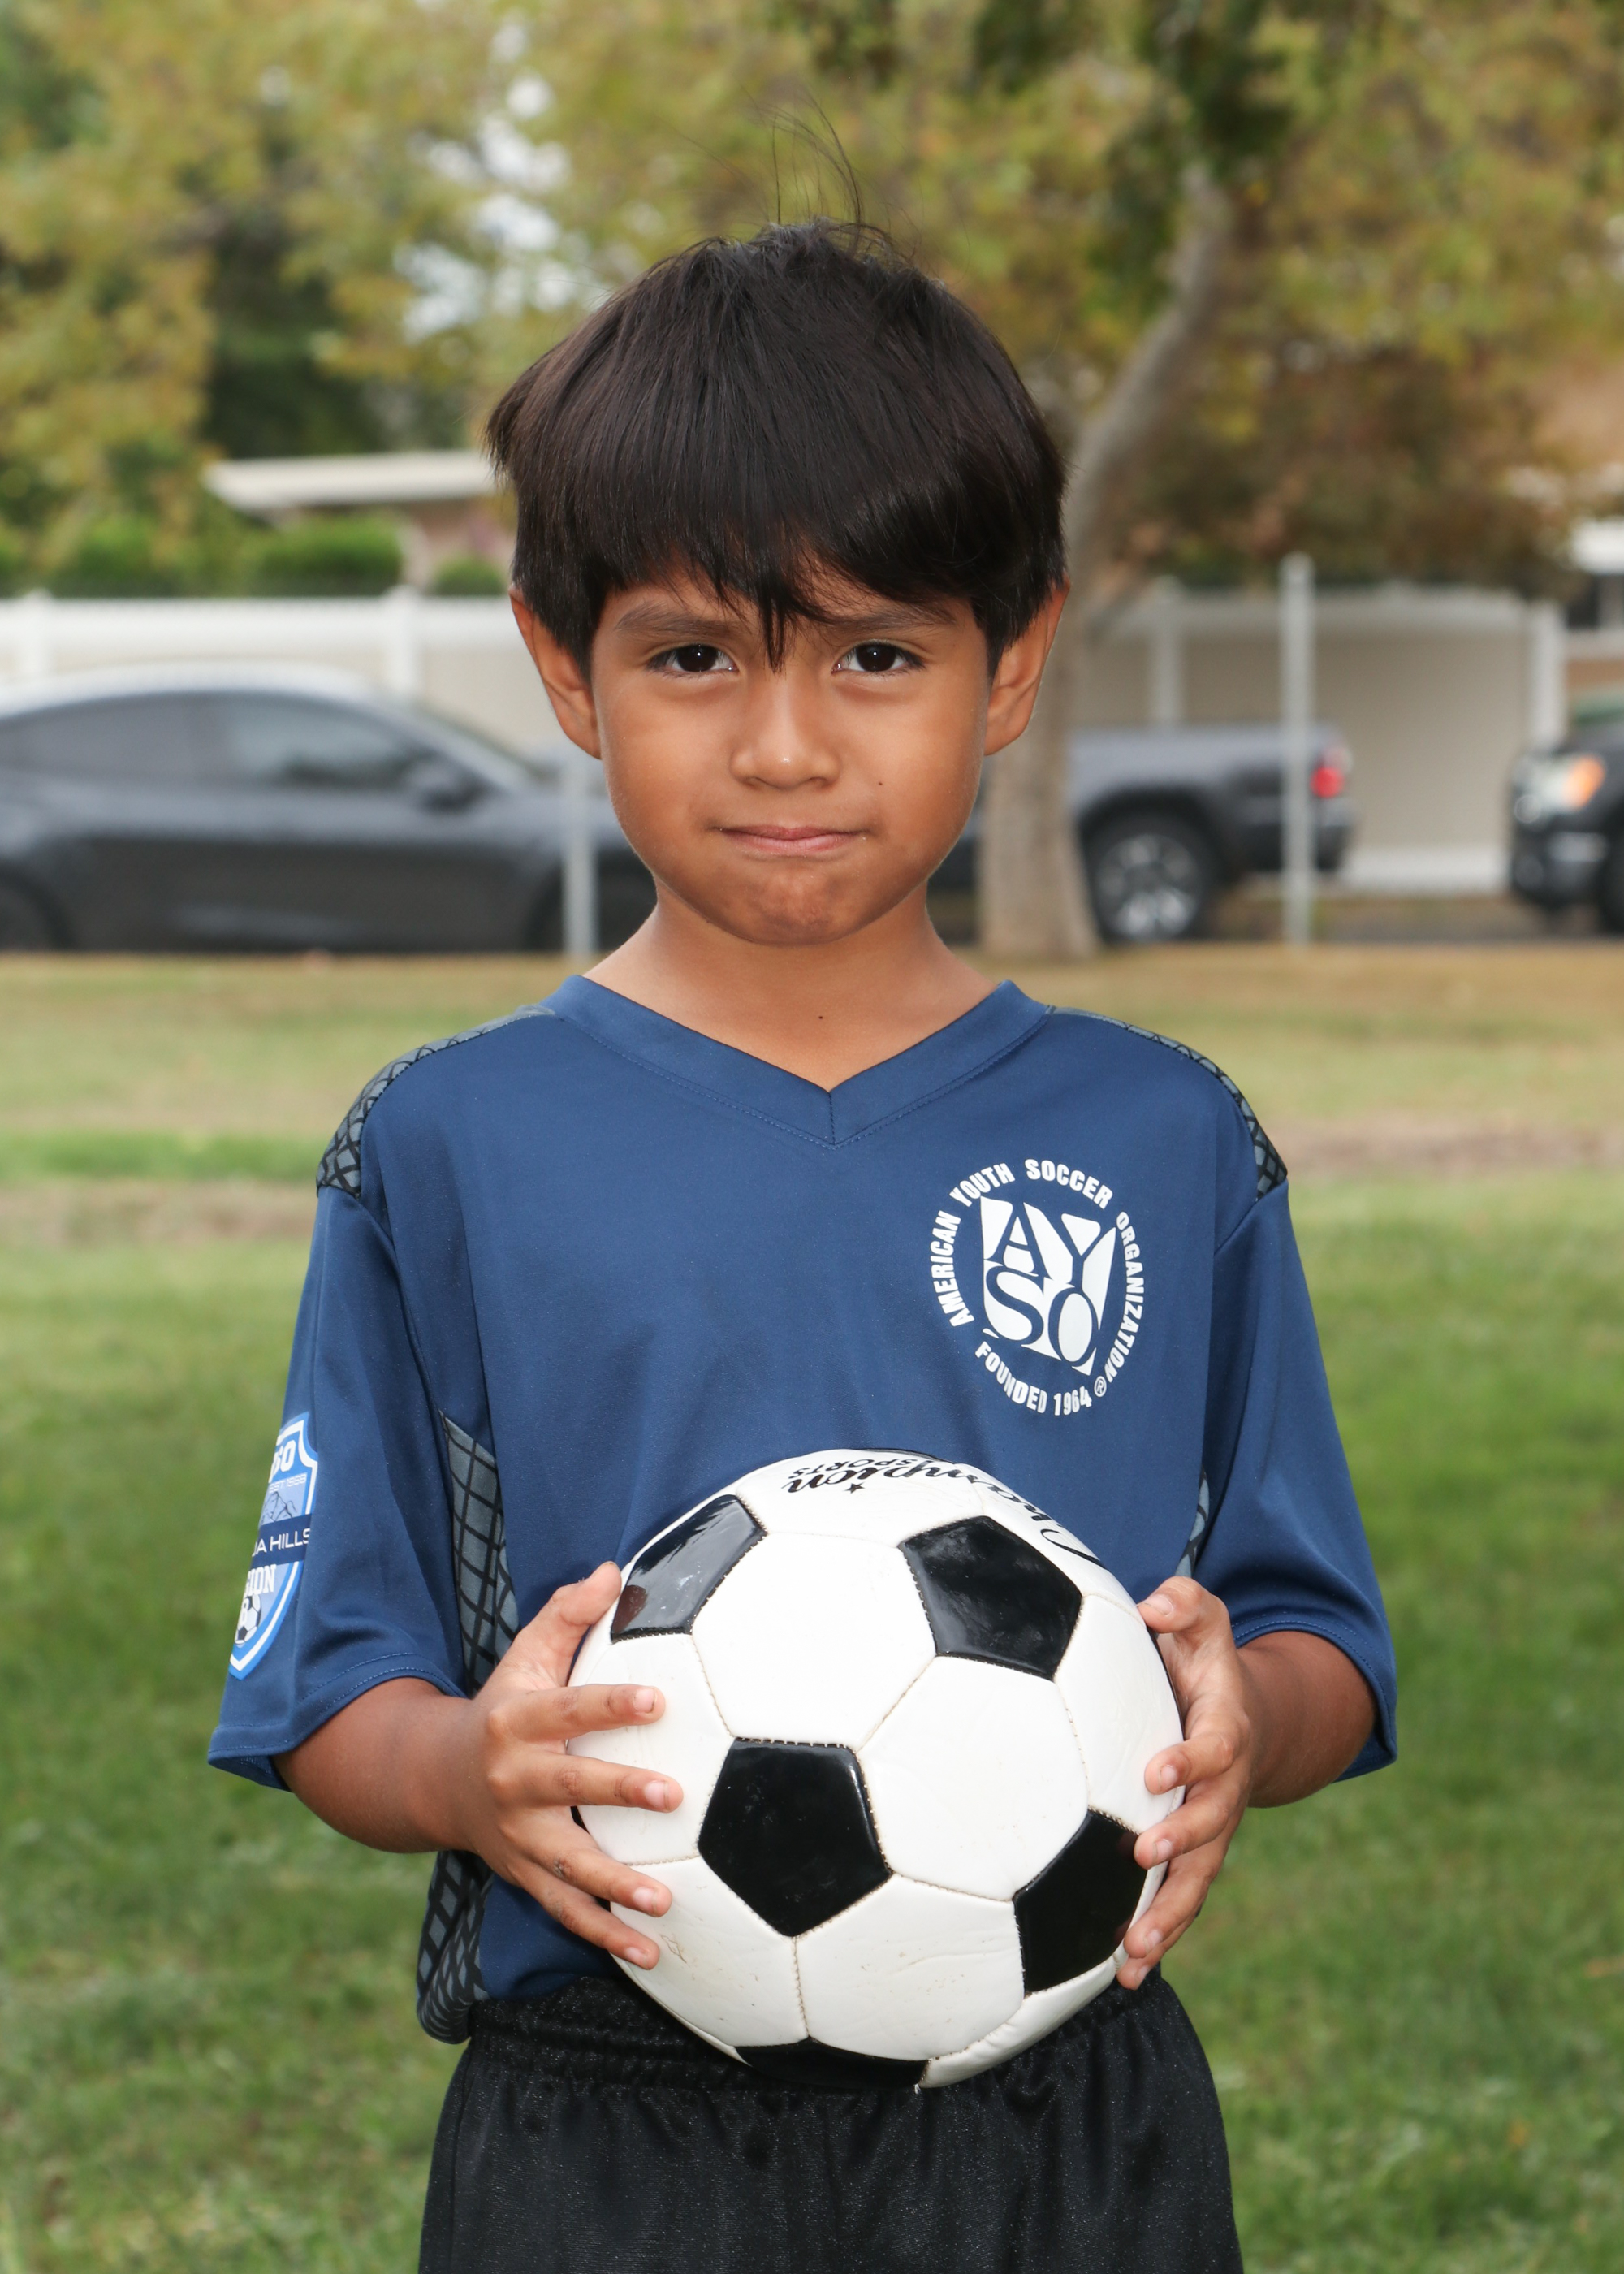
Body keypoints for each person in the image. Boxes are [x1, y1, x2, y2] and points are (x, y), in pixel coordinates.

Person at [209, 221, 1395, 2274]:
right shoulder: (447, 1145)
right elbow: (330, 1687)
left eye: (873, 654)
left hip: (1059, 2114)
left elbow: (1316, 1642)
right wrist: (470, 1771)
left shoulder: (1165, 1138)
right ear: (561, 664)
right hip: (606, 2121)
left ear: (1009, 661)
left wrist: (1240, 1723)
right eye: (694, 656)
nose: (784, 744)